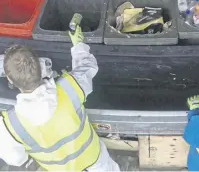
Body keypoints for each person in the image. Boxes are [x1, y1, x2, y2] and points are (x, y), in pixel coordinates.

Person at [0, 27, 120, 171]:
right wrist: (78, 46)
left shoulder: (9, 125)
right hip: (94, 160)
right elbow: (88, 66)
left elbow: (16, 159)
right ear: (40, 66)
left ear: (9, 80)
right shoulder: (70, 87)